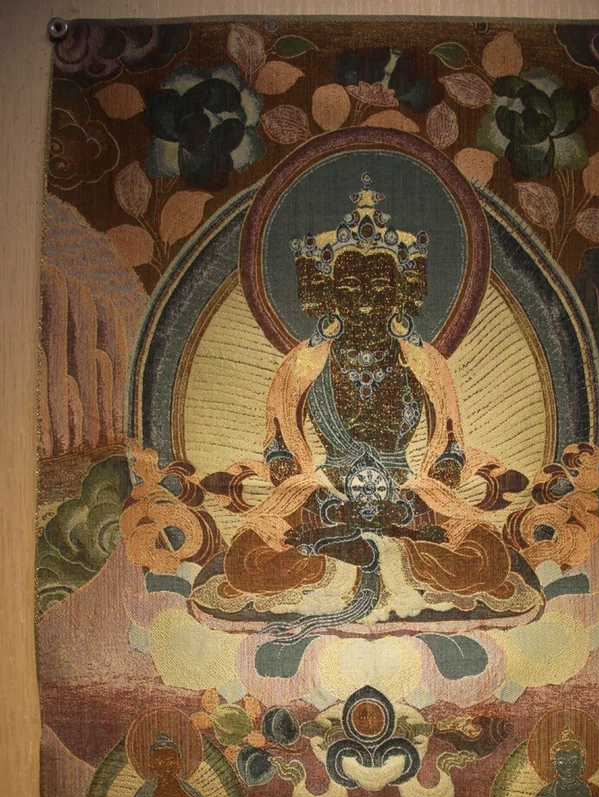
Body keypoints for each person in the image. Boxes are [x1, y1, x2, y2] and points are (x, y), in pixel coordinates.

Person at [201, 175, 540, 632]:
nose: (364, 301)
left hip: (407, 497)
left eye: (379, 286)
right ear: (328, 294)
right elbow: (282, 451)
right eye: (350, 287)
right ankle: (363, 555)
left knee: (487, 559)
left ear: (401, 293)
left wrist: (407, 504)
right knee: (247, 560)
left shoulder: (424, 363)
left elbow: (448, 452)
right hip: (325, 496)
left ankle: (356, 558)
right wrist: (326, 503)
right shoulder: (303, 365)